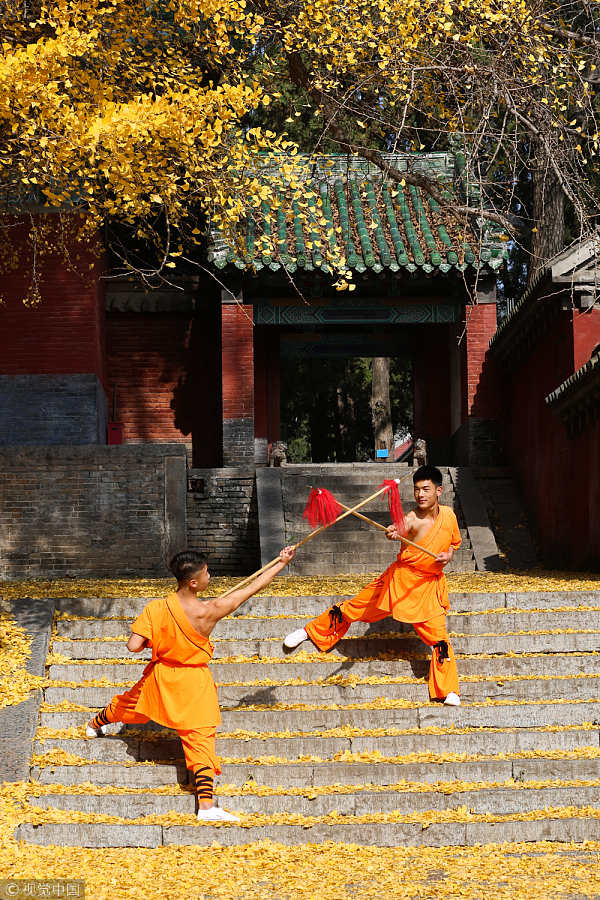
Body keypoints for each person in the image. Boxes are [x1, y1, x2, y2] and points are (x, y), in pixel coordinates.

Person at [86, 546, 296, 822]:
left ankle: (94, 724)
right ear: (193, 582)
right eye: (207, 572)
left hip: (161, 675)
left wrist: (157, 638)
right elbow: (251, 589)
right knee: (201, 741)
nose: (211, 576)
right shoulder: (209, 610)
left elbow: (133, 646)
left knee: (131, 706)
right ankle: (206, 807)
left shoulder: (157, 608)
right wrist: (281, 562)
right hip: (193, 680)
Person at [284, 465, 462, 706]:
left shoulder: (449, 515)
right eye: (417, 489)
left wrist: (448, 555)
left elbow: (453, 543)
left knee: (440, 640)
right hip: (399, 581)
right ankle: (310, 631)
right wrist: (393, 531)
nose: (420, 494)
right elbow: (399, 528)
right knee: (353, 608)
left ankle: (448, 690)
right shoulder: (410, 518)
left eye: (426, 489)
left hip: (428, 587)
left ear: (438, 491)